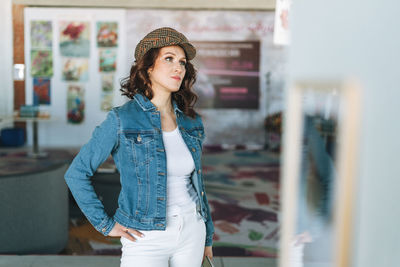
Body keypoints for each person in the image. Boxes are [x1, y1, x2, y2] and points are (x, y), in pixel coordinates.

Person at [64, 27, 214, 267]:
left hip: (191, 230)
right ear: (149, 67)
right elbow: (76, 174)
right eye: (169, 59)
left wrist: (207, 234)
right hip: (144, 236)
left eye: (183, 62)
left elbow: (197, 183)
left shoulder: (191, 121)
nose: (179, 68)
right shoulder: (121, 119)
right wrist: (106, 224)